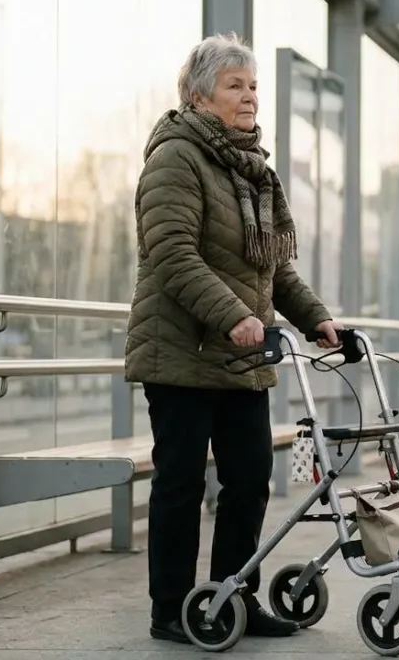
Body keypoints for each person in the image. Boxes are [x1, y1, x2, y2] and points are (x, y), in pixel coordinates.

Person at [123, 32, 342, 645]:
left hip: (244, 354)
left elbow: (272, 265)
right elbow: (172, 253)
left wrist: (315, 318)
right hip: (184, 352)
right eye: (235, 86)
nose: (249, 98)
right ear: (198, 96)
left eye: (252, 86)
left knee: (248, 477)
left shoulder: (251, 169)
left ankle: (233, 595)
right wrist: (232, 316)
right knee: (182, 483)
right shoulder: (176, 158)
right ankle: (170, 608)